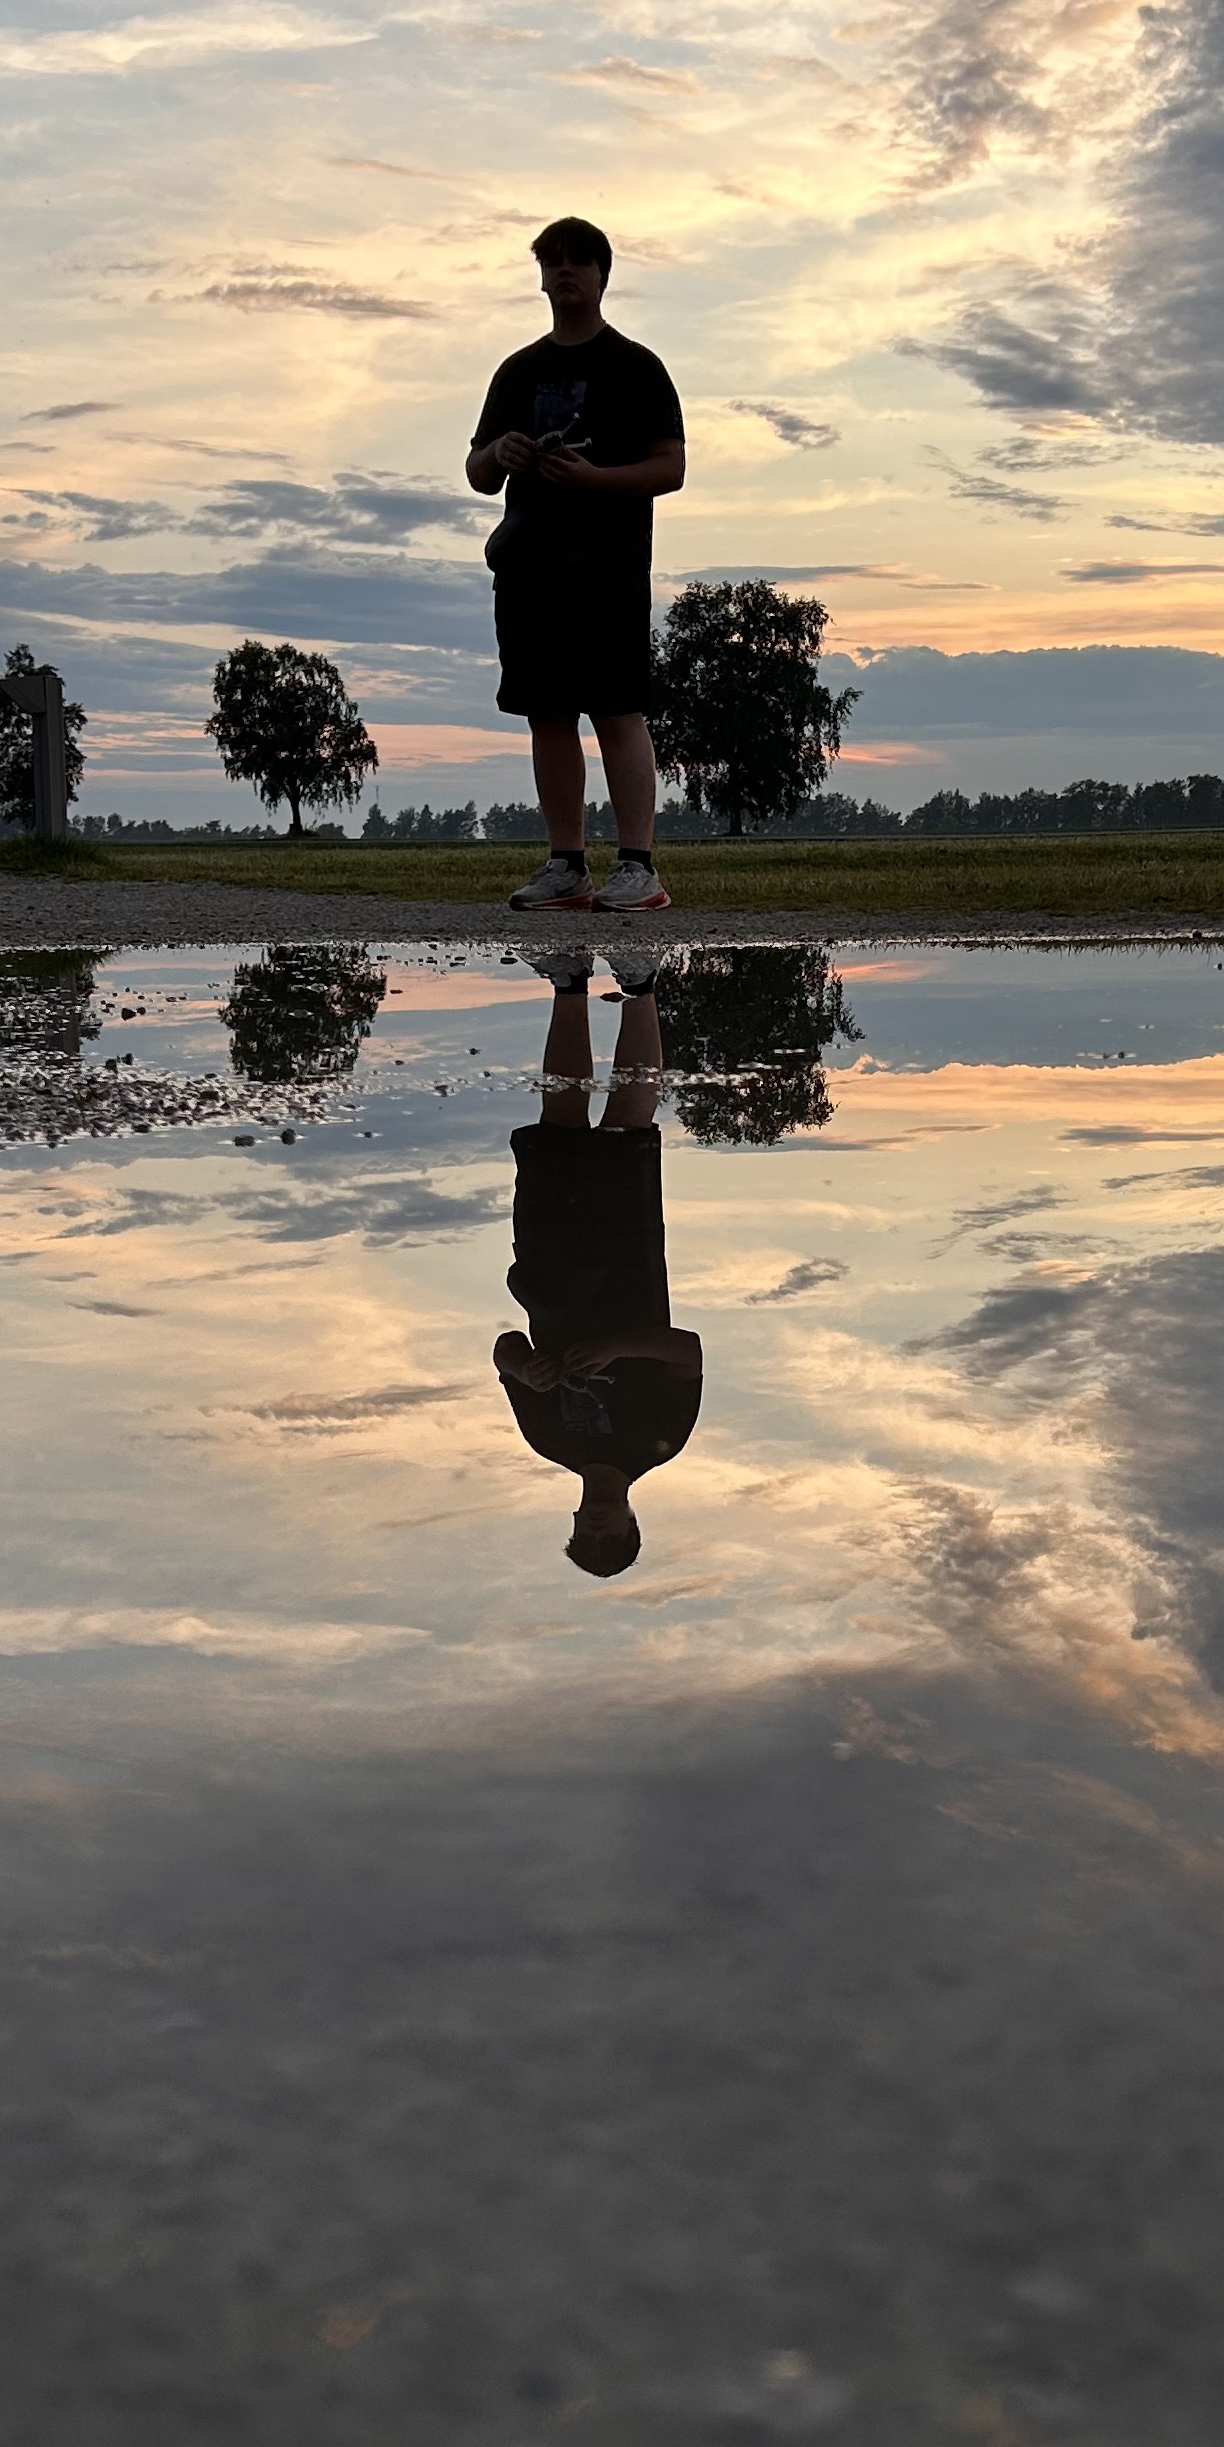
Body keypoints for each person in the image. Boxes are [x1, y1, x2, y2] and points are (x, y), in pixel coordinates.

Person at [465, 217, 685, 915]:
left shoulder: (637, 367)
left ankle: (638, 866)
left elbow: (671, 467)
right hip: (531, 569)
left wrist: (592, 478)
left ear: (602, 276)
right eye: (553, 262)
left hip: (609, 570)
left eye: (579, 262)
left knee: (618, 709)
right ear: (540, 275)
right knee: (547, 712)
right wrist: (500, 454)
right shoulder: (518, 371)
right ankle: (567, 865)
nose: (565, 273)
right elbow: (476, 472)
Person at [492, 948, 704, 1575]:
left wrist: (526, 1368)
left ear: (577, 1523)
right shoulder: (659, 1443)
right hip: (627, 1261)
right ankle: (640, 984)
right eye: (614, 1535)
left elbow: (504, 1348)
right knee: (628, 1123)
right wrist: (616, 1346)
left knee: (557, 1118)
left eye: (589, 1535)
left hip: (547, 1264)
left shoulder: (549, 1440)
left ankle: (568, 983)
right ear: (633, 1522)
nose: (600, 1526)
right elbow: (688, 1352)